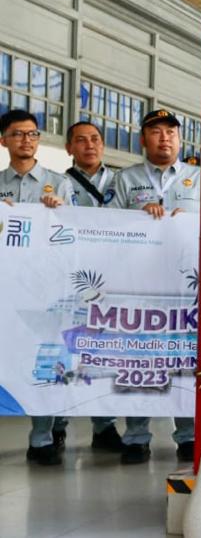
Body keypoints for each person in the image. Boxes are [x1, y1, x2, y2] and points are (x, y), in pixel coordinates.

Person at [107, 108, 200, 464]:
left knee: (184, 357)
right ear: (143, 138)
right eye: (156, 131)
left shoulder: (200, 177)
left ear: (180, 139)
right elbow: (107, 225)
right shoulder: (126, 180)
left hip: (186, 287)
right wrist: (137, 217)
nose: (165, 138)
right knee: (139, 359)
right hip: (138, 283)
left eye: (171, 132)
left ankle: (189, 435)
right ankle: (136, 435)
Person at [0, 109, 75, 466]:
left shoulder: (59, 184)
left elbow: (75, 233)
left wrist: (60, 212)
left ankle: (43, 437)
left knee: (44, 359)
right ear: (3, 141)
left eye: (32, 133)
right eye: (17, 134)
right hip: (5, 286)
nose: (26, 140)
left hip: (46, 285)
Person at [63, 120, 126, 454]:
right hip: (70, 278)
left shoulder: (123, 181)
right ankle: (56, 424)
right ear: (69, 148)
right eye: (81, 140)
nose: (90, 145)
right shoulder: (58, 185)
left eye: (96, 139)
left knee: (105, 354)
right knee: (64, 349)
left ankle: (104, 426)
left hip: (113, 279)